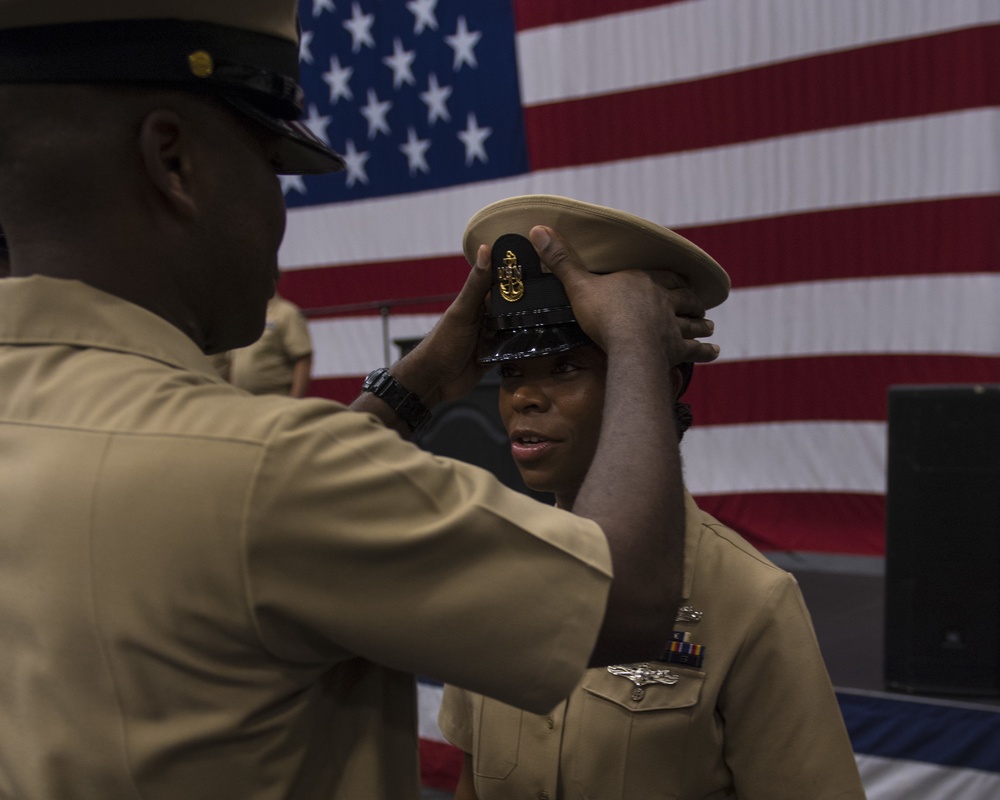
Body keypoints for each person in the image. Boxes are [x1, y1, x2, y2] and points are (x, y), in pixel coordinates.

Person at [0, 5, 721, 799]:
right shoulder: (271, 473)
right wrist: (637, 346)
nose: (279, 214)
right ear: (174, 162)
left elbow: (241, 521)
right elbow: (631, 600)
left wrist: (412, 387)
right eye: (273, 165)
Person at [439, 195, 868, 800]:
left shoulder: (752, 600)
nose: (524, 399)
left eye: (565, 368)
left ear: (655, 381)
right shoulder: (491, 570)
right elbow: (471, 781)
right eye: (512, 373)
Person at [228, 289, 314, 397]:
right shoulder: (242, 314)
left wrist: (294, 400)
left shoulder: (286, 313)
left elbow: (303, 358)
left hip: (277, 400)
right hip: (245, 402)